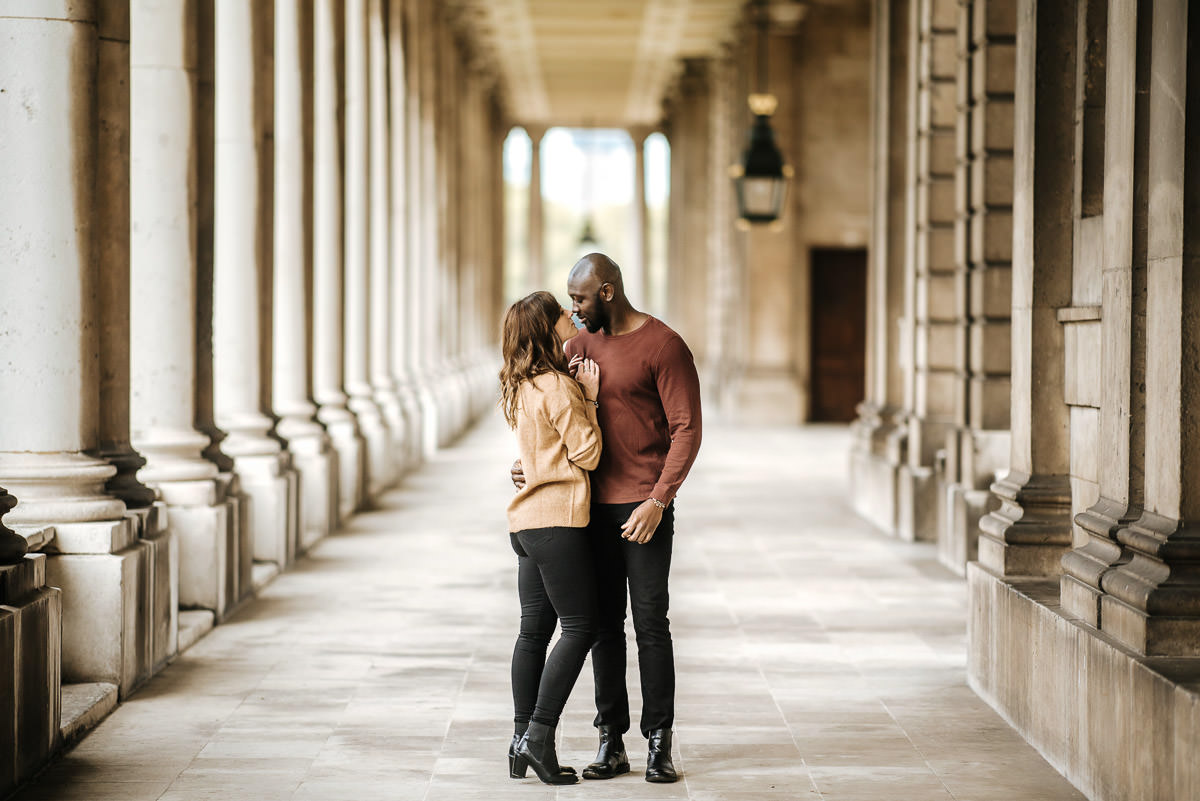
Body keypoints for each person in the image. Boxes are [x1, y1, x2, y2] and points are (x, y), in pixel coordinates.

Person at [512, 253, 702, 783]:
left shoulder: (664, 345)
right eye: (570, 300)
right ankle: (610, 740)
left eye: (579, 298)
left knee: (651, 624)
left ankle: (659, 741)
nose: (573, 309)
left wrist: (659, 500)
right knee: (601, 628)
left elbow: (687, 429)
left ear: (608, 292)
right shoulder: (574, 347)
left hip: (643, 508)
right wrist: (528, 463)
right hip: (584, 511)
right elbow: (550, 418)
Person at [500, 290, 603, 786]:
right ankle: (539, 735)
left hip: (525, 525)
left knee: (533, 633)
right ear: (547, 327)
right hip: (558, 521)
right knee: (581, 627)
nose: (570, 314)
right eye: (561, 312)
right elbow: (589, 455)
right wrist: (590, 398)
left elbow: (535, 452)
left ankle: (520, 742)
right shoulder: (560, 387)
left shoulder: (520, 384)